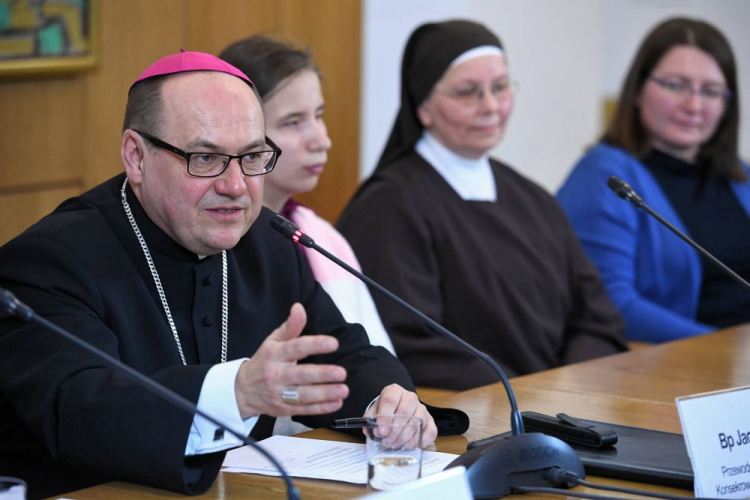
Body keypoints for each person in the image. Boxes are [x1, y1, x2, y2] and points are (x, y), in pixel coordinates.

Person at [0, 51, 436, 499]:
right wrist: (239, 392)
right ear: (136, 157)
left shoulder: (268, 242)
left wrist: (385, 401)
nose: (234, 186)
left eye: (251, 157)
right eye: (205, 158)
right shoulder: (49, 261)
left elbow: (341, 355)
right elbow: (81, 408)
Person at [337, 20, 627, 391]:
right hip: (477, 416)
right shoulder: (390, 205)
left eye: (501, 87)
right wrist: (522, 397)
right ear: (423, 106)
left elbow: (596, 318)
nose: (490, 106)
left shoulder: (533, 198)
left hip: (564, 410)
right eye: (467, 92)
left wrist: (572, 388)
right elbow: (408, 341)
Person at [557, 18, 750, 343]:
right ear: (637, 90)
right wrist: (730, 351)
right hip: (681, 369)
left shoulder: (740, 176)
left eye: (711, 91)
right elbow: (612, 304)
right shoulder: (607, 177)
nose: (694, 105)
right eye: (675, 85)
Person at [219, 35, 395, 356]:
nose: (322, 140)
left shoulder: (323, 237)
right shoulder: (216, 243)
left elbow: (373, 354)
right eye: (293, 122)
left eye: (319, 115)